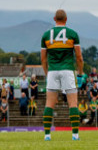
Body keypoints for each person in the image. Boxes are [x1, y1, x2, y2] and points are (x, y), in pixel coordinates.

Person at [41, 9, 83, 141]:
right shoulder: (72, 34)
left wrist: (47, 73)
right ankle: (75, 135)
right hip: (68, 70)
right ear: (66, 19)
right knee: (73, 104)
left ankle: (47, 135)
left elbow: (43, 58)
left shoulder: (46, 35)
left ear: (54, 19)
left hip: (53, 71)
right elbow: (79, 57)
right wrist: (80, 74)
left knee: (49, 104)